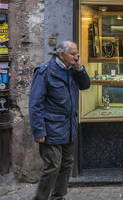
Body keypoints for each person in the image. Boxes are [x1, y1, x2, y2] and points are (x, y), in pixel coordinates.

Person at [29, 41, 90, 200]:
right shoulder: (45, 72)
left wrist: (80, 69)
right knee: (52, 167)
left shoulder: (73, 70)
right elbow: (35, 103)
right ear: (61, 55)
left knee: (66, 165)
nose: (76, 57)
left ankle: (58, 197)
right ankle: (40, 198)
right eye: (73, 54)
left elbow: (85, 85)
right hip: (51, 129)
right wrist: (39, 131)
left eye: (77, 53)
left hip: (69, 127)